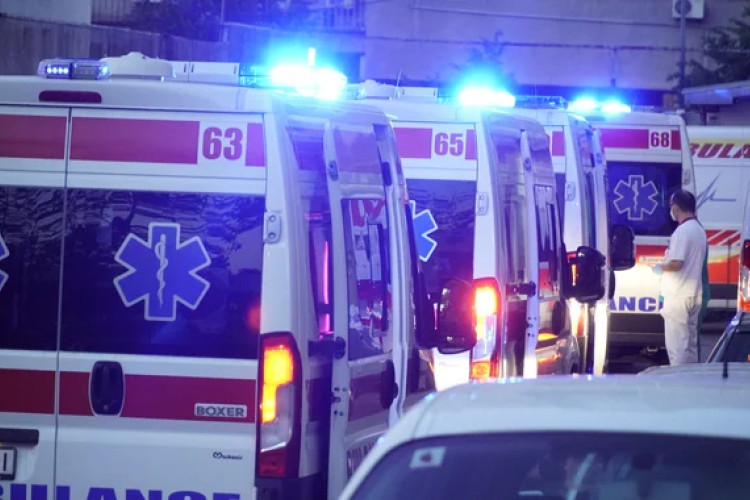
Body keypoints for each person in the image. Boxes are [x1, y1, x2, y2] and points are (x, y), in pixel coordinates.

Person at [651, 190, 707, 365]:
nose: (671, 210)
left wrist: (659, 267)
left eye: (671, 205)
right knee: (690, 345)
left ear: (676, 207)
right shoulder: (699, 230)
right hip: (694, 294)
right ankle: (691, 377)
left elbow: (677, 263)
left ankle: (678, 378)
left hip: (678, 296)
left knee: (677, 347)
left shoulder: (682, 232)